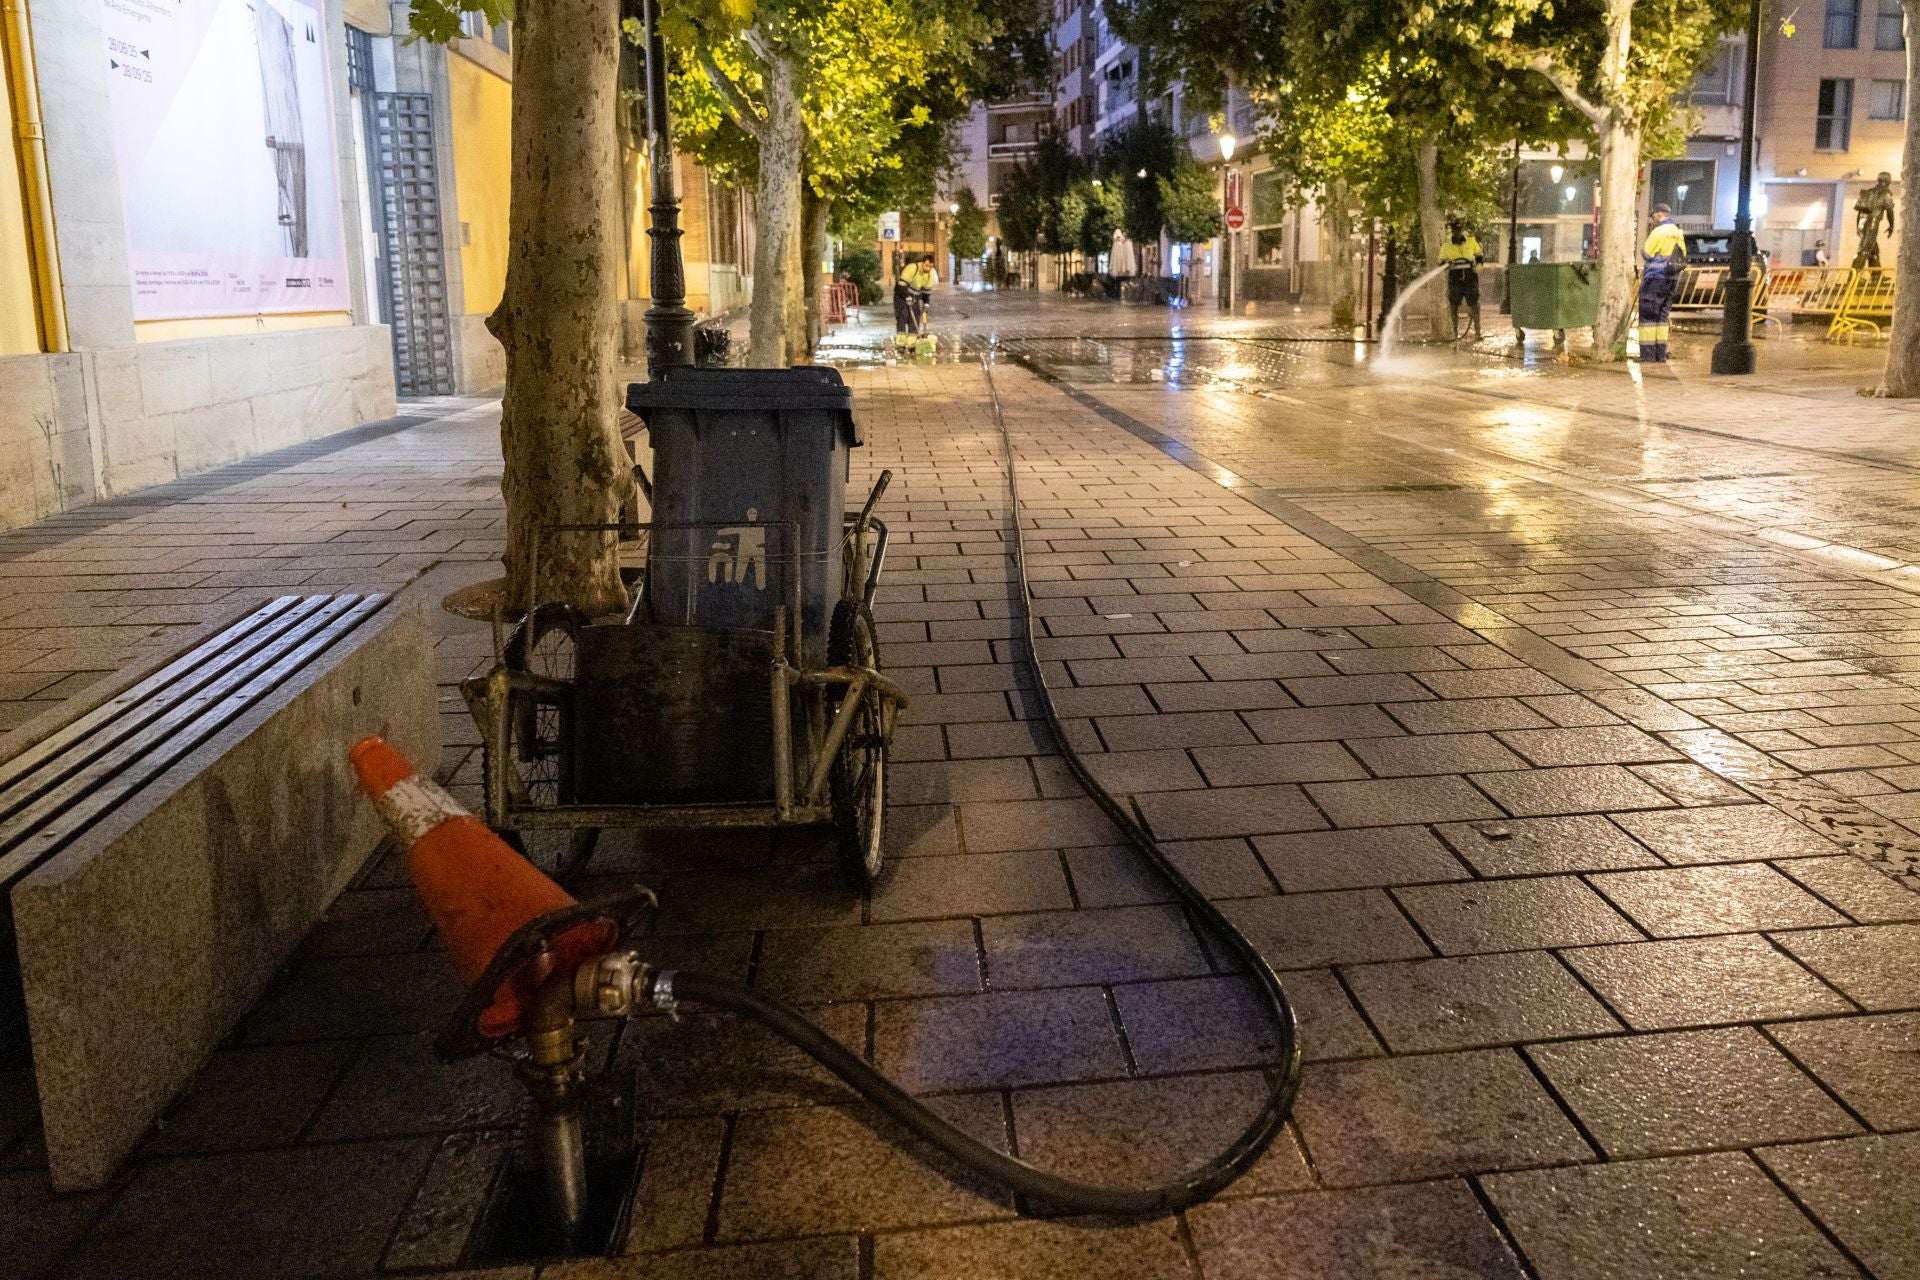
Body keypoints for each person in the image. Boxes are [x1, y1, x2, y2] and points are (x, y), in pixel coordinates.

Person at [1638, 202, 1687, 364]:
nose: (1653, 220)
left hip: (1655, 279)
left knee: (1648, 317)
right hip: (1671, 279)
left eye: (1653, 217)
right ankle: (1661, 354)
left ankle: (1648, 356)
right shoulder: (1678, 232)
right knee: (1662, 317)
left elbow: (1647, 252)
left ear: (1659, 215)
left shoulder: (1659, 232)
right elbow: (1683, 255)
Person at [1438, 220, 1484, 340]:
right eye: (1455, 230)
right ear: (1452, 231)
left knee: (1474, 304)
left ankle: (1478, 332)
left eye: (1459, 230)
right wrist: (1446, 264)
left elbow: (1479, 256)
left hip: (1470, 276)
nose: (1458, 233)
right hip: (1455, 277)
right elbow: (1441, 262)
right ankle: (1455, 333)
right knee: (1453, 305)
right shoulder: (1447, 245)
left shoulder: (1471, 241)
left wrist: (1477, 268)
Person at [1855, 173, 1896, 269]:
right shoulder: (1885, 193)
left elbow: (1860, 212)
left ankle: (1876, 276)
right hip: (1872, 223)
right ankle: (1854, 276)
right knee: (1864, 250)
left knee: (1874, 250)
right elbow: (1890, 211)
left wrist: (1858, 226)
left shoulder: (1868, 192)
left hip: (1862, 221)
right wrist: (1891, 226)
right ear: (1888, 181)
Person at [893, 253, 933, 351]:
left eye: (931, 267)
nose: (928, 268)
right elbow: (901, 285)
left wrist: (926, 304)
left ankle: (912, 344)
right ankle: (901, 345)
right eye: (927, 265)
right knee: (902, 317)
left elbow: (926, 293)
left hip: (915, 297)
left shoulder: (929, 276)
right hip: (901, 296)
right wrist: (907, 297)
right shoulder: (912, 268)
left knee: (915, 318)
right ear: (923, 263)